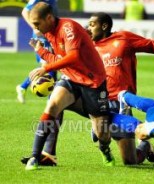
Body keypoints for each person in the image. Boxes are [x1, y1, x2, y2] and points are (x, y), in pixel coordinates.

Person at [24, 2, 114, 170]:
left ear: (49, 18)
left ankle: (105, 148)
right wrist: (42, 52)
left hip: (93, 82)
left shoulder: (68, 27)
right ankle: (34, 157)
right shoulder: (48, 32)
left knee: (102, 133)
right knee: (52, 106)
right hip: (71, 78)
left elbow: (73, 57)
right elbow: (61, 61)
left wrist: (45, 68)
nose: (35, 28)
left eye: (37, 23)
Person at [87, 12, 154, 164]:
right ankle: (133, 131)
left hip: (123, 101)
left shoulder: (123, 38)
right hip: (102, 101)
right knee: (98, 134)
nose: (89, 28)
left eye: (92, 25)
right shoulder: (90, 47)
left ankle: (145, 145)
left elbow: (152, 45)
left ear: (104, 26)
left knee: (131, 161)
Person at [16, 0, 57, 104]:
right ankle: (50, 102)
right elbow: (25, 11)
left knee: (52, 67)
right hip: (41, 37)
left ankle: (23, 86)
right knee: (48, 65)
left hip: (49, 34)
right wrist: (35, 28)